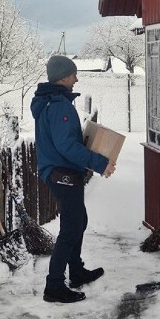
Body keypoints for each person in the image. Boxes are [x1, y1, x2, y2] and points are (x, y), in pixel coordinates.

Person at [30, 54, 116, 303]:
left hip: (58, 171)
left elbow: (64, 142)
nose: (76, 79)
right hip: (62, 173)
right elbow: (66, 146)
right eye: (73, 74)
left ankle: (76, 271)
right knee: (71, 228)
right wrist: (100, 162)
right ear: (63, 77)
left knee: (78, 221)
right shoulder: (58, 105)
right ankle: (54, 285)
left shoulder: (49, 101)